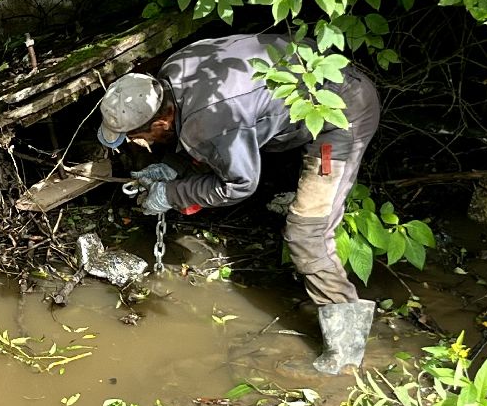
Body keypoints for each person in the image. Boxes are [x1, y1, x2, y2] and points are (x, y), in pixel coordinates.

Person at [95, 33, 381, 374]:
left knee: (307, 232)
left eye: (138, 137)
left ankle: (346, 356)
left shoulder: (210, 120)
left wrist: (171, 194)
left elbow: (240, 184)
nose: (138, 143)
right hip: (315, 81)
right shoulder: (172, 73)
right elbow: (205, 132)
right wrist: (172, 167)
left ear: (159, 122)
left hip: (340, 112)